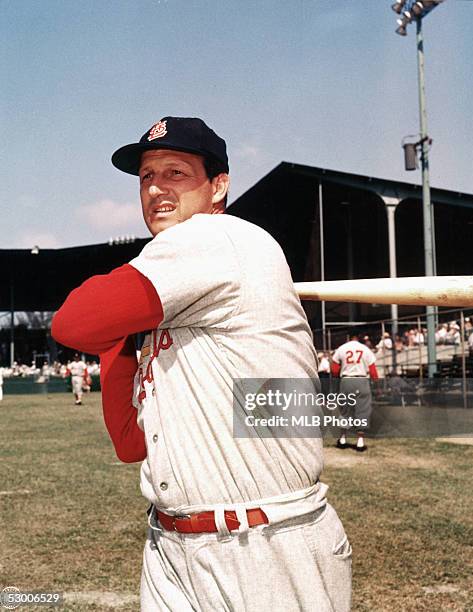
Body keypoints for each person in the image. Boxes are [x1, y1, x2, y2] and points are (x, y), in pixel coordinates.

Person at [52, 116, 351, 611]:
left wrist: (111, 320)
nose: (155, 189)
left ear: (219, 186)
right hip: (172, 543)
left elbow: (71, 323)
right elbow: (131, 444)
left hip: (263, 545)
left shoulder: (216, 239)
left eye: (175, 173)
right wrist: (121, 334)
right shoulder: (177, 293)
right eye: (147, 177)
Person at [331, 334, 379, 452]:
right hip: (361, 380)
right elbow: (373, 371)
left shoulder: (342, 348)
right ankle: (360, 442)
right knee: (362, 410)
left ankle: (342, 439)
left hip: (346, 380)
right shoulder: (365, 349)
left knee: (345, 410)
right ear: (359, 337)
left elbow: (334, 370)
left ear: (349, 337)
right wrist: (377, 385)